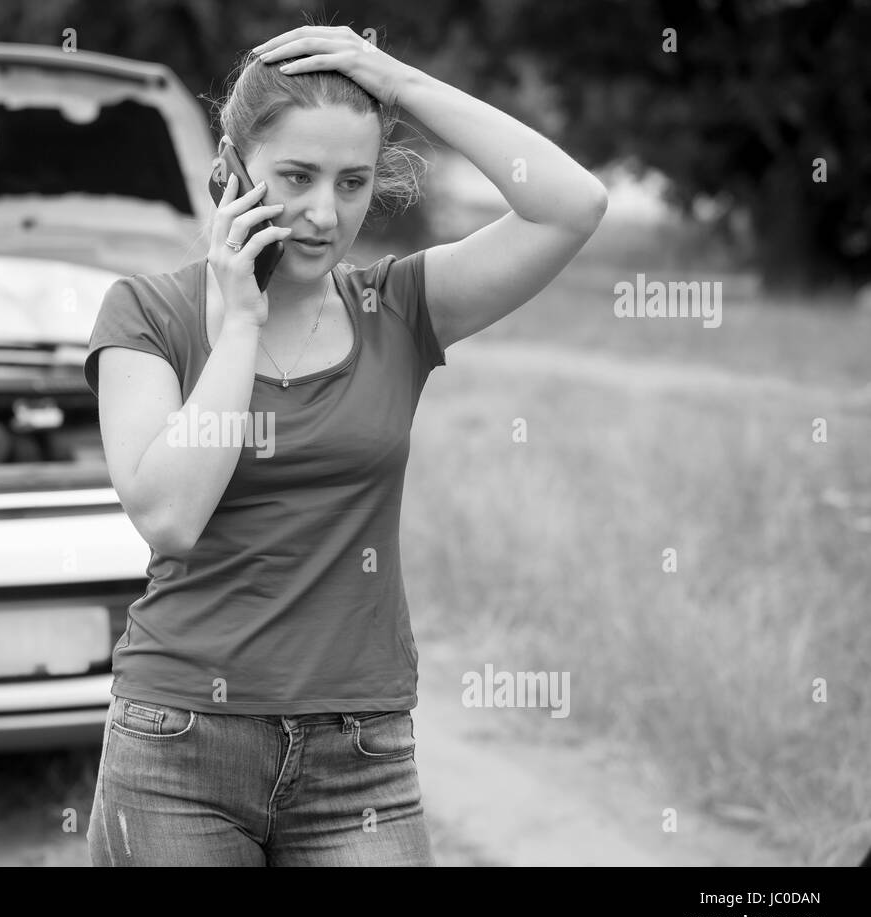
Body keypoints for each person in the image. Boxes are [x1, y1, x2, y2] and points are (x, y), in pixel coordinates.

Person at [82, 25, 608, 866]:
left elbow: (572, 204)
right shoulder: (147, 313)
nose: (326, 214)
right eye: (296, 177)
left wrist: (397, 82)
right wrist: (241, 327)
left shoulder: (398, 308)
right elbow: (169, 516)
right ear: (234, 165)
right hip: (177, 746)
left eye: (353, 182)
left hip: (358, 758)